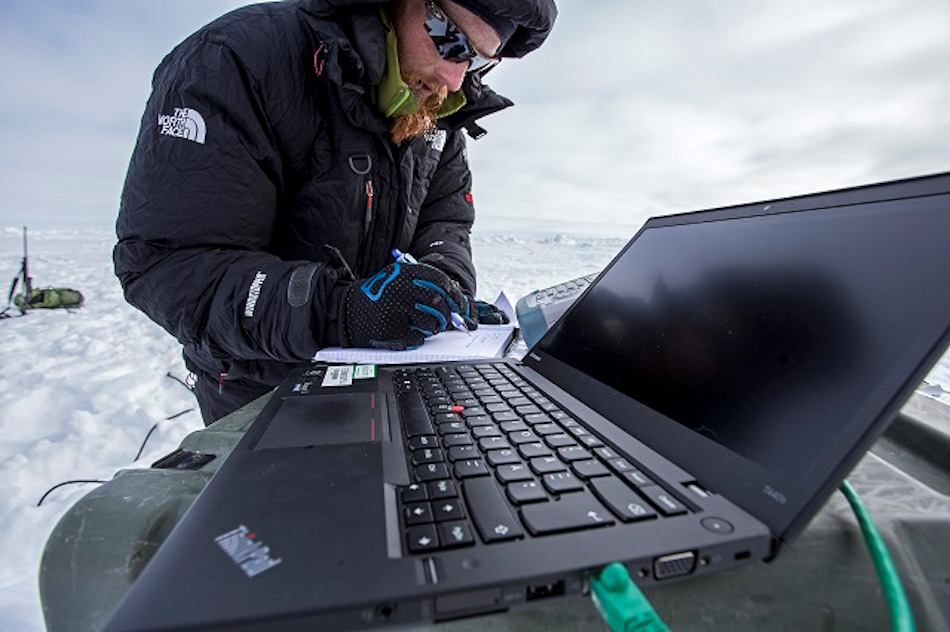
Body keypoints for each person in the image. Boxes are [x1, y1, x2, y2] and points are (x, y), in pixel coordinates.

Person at [114, 0, 557, 424]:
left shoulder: (437, 112)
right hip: (261, 389)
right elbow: (173, 264)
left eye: (479, 61)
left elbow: (446, 222)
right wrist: (338, 312)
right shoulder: (237, 61)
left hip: (386, 375)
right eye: (450, 40)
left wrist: (443, 283)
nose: (455, 78)